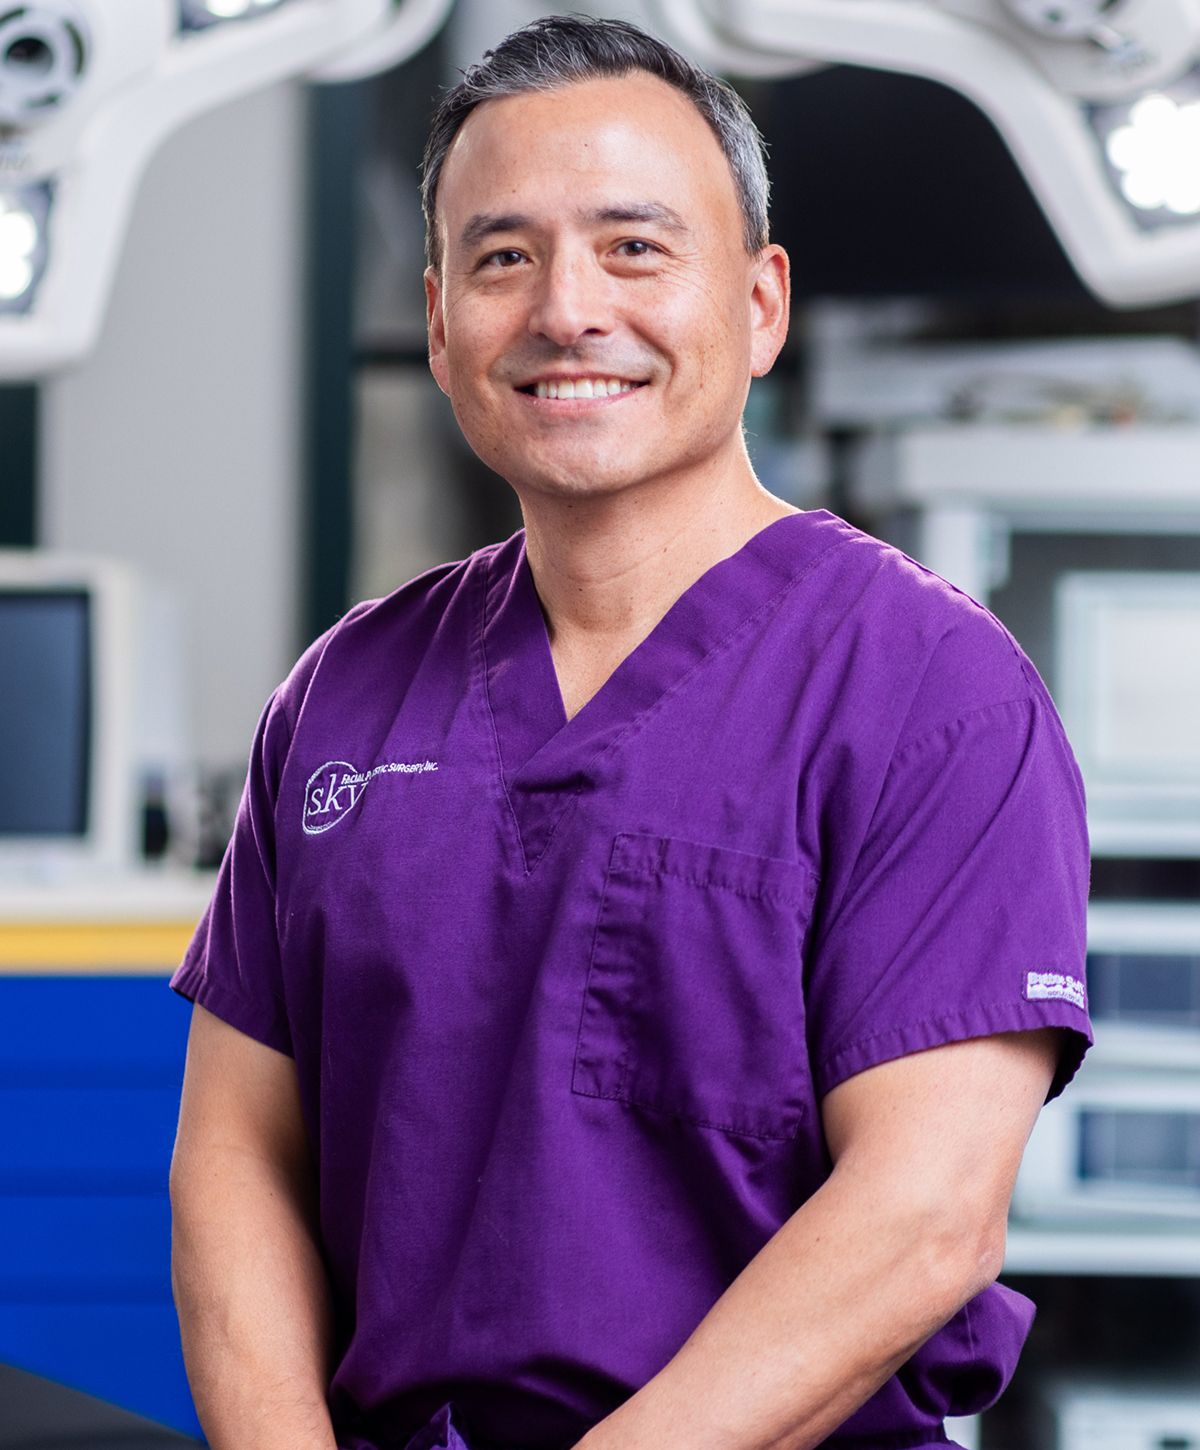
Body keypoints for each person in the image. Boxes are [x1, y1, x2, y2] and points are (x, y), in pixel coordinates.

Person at [167, 15, 1092, 1450]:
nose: (566, 310)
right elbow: (235, 1158)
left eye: (635, 247)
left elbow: (926, 1214)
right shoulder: (342, 696)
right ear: (437, 318)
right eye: (502, 257)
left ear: (762, 303)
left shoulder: (931, 691)